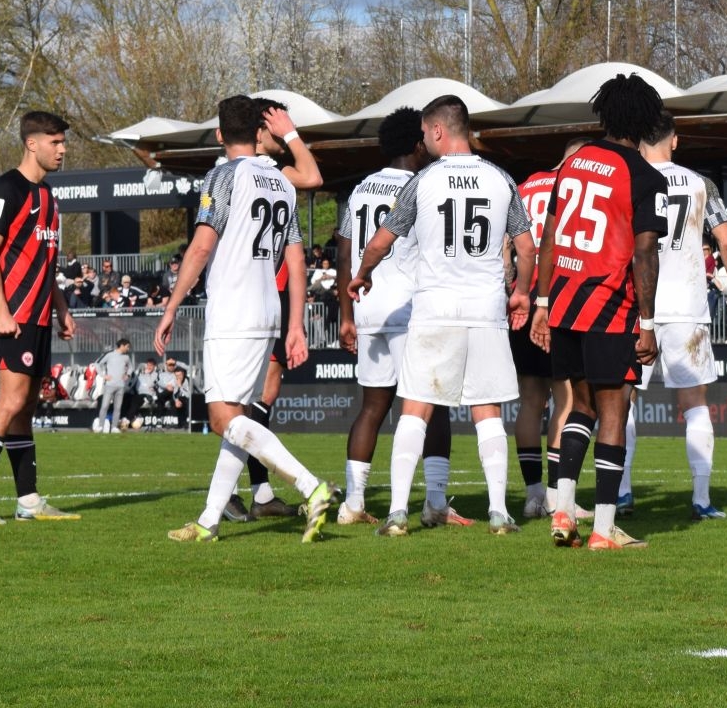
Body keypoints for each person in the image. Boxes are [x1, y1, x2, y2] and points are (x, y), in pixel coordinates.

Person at [154, 95, 333, 543]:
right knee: (238, 416)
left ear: (219, 135)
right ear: (258, 130)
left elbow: (200, 247)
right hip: (266, 312)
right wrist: (294, 323)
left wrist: (172, 305)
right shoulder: (280, 181)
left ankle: (311, 487)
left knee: (221, 419)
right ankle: (209, 521)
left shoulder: (223, 175)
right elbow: (295, 259)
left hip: (233, 311)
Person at [355, 96, 534, 537]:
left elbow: (381, 241)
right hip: (486, 307)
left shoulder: (424, 181)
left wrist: (362, 274)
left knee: (415, 406)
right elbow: (527, 247)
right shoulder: (500, 178)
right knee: (486, 410)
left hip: (435, 308)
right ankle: (499, 512)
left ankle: (398, 513)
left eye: (424, 132)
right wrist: (524, 293)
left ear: (437, 131)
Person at [528, 73, 669, 551]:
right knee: (614, 408)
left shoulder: (573, 164)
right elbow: (644, 254)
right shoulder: (645, 175)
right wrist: (647, 324)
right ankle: (604, 531)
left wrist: (543, 303)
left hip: (566, 303)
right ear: (647, 121)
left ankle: (563, 509)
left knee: (579, 407)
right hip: (611, 306)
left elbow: (548, 238)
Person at [333, 107, 460, 526]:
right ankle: (435, 502)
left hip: (369, 309)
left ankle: (353, 504)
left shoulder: (361, 189)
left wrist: (346, 314)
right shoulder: (422, 187)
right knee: (432, 406)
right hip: (410, 310)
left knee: (372, 408)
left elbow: (346, 252)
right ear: (415, 144)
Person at [0, 111, 79, 525]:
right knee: (10, 401)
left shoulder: (48, 198)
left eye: (63, 142)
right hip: (15, 316)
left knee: (26, 404)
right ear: (32, 143)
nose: (62, 150)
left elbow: (47, 262)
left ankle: (28, 501)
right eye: (55, 142)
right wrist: (3, 309)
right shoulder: (6, 187)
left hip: (41, 316)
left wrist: (62, 308)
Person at [633, 110, 727, 520]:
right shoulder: (701, 183)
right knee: (695, 403)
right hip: (687, 307)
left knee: (622, 402)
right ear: (674, 141)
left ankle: (622, 493)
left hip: (640, 307)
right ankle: (701, 499)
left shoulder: (630, 180)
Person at [228, 99, 325, 522]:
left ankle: (260, 492)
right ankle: (234, 492)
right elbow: (314, 175)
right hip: (257, 297)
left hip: (270, 296)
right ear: (258, 130)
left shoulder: (266, 175)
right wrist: (290, 133)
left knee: (260, 399)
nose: (283, 132)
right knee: (249, 401)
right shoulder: (255, 174)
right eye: (274, 125)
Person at [515, 141, 585, 522]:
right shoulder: (574, 186)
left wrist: (518, 292)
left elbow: (512, 246)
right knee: (566, 401)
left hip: (523, 301)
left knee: (530, 401)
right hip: (559, 300)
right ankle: (560, 498)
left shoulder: (526, 187)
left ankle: (532, 495)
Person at [91, 338, 133, 434]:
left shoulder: (126, 357)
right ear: (122, 345)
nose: (128, 349)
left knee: (117, 408)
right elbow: (97, 363)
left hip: (121, 386)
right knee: (105, 406)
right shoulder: (109, 354)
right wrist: (103, 375)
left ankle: (114, 427)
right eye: (127, 346)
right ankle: (100, 427)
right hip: (109, 385)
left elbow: (131, 367)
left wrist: (128, 375)